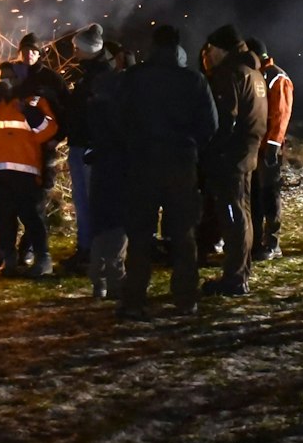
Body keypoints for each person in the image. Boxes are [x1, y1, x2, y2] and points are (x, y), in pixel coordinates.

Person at [116, 25, 217, 318]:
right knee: (183, 234)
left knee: (140, 234)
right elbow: (210, 125)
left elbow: (118, 118)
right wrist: (191, 146)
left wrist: (132, 145)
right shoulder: (193, 80)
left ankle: (134, 299)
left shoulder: (134, 78)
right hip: (180, 165)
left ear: (153, 44)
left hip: (142, 164)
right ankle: (186, 298)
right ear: (177, 46)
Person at [0, 61, 59, 278]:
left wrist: (29, 112)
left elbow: (48, 131)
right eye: (2, 76)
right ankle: (8, 259)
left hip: (24, 169)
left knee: (30, 216)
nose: (4, 81)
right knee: (4, 217)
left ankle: (42, 259)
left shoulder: (35, 100)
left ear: (20, 79)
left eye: (9, 76)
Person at [199, 25, 265, 295]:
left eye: (210, 49)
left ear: (221, 49)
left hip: (231, 157)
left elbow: (225, 119)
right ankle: (241, 271)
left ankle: (235, 278)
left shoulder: (229, 73)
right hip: (247, 153)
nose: (208, 54)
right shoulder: (253, 72)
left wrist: (214, 150)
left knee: (232, 215)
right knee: (242, 213)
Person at [55, 25, 109, 270]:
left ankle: (93, 251)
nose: (74, 52)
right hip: (80, 145)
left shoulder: (100, 77)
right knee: (83, 200)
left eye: (77, 48)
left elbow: (96, 114)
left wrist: (93, 143)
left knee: (89, 201)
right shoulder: (89, 74)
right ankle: (87, 248)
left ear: (89, 49)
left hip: (89, 148)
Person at [83, 37, 133, 299]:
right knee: (117, 221)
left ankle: (98, 279)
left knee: (101, 221)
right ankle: (115, 278)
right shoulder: (122, 96)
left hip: (101, 163)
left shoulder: (96, 96)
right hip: (120, 164)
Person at [248, 37, 294, 261]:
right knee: (256, 195)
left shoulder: (277, 76)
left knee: (269, 194)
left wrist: (273, 146)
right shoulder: (259, 75)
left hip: (268, 148)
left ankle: (272, 243)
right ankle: (257, 241)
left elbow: (281, 113)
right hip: (256, 146)